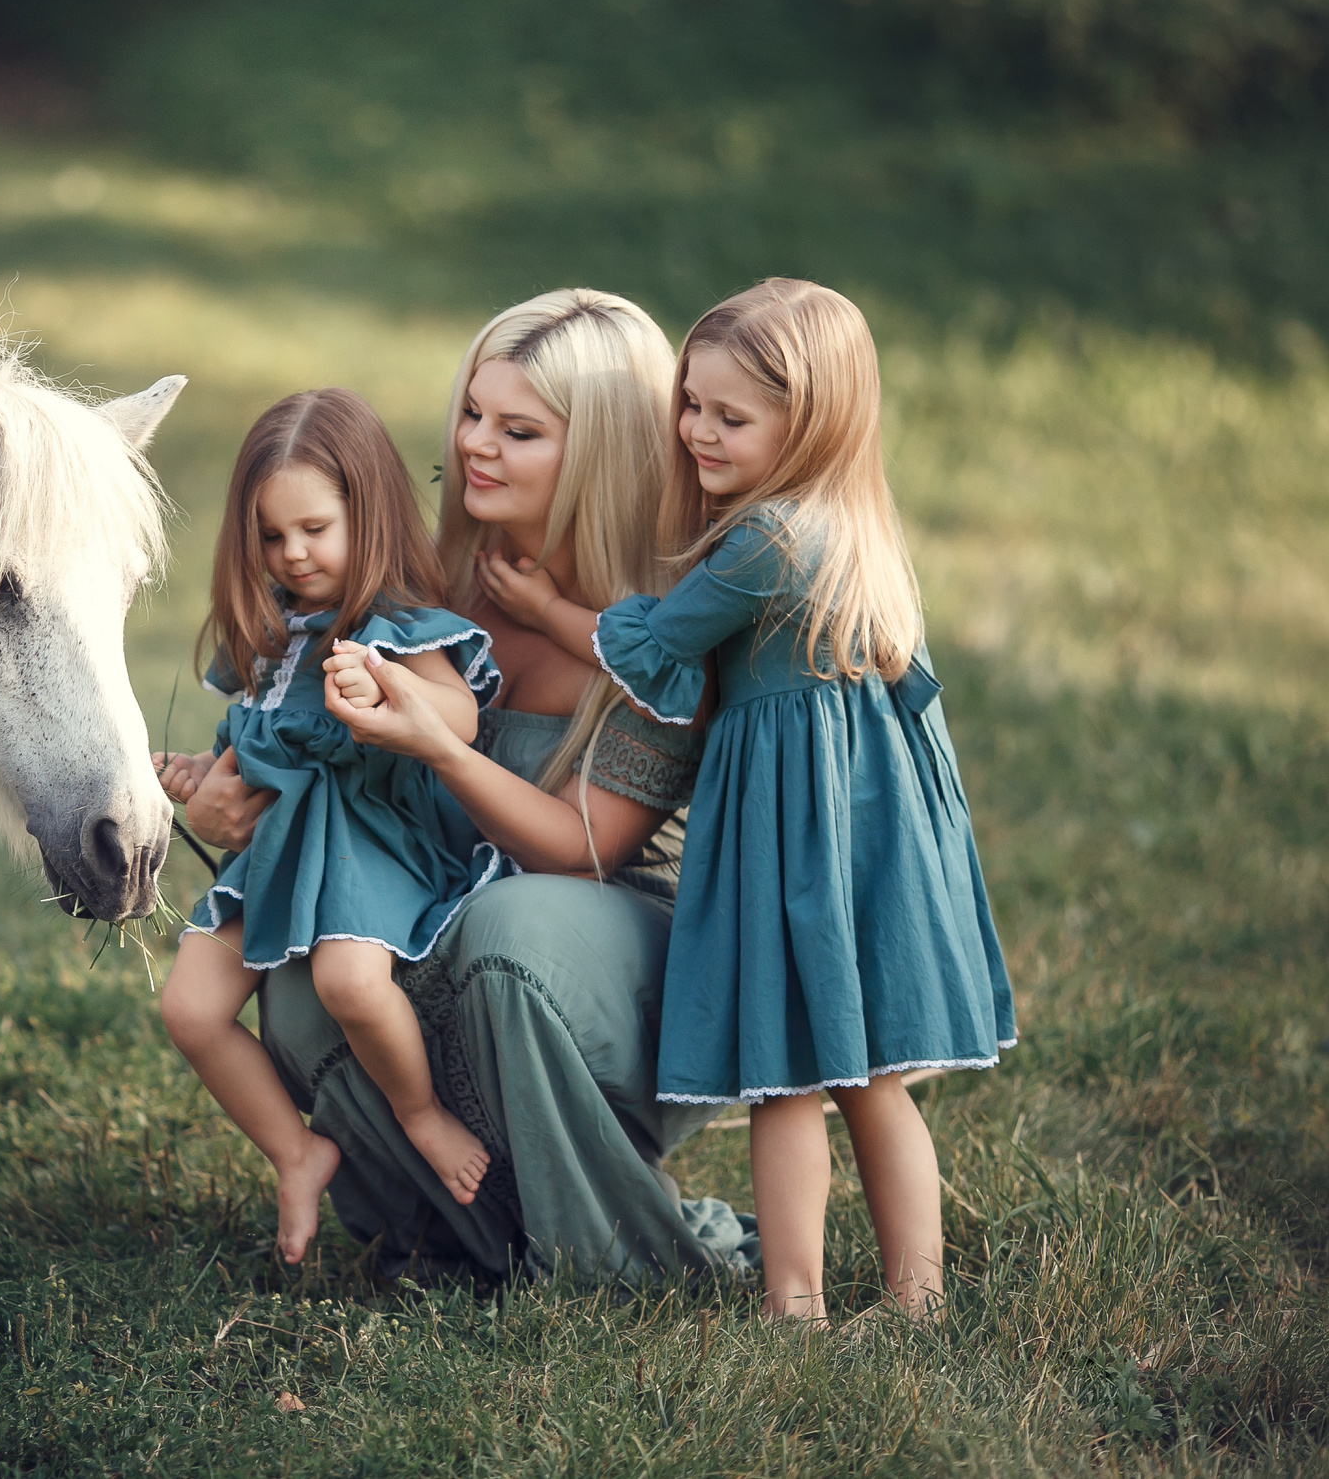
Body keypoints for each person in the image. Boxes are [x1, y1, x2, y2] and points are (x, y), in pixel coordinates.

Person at [181, 290, 758, 1287]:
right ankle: (459, 1230)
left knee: (509, 933)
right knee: (309, 980)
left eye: (520, 429)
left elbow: (579, 852)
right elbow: (304, 767)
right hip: (442, 899)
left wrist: (444, 749)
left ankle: (618, 1257)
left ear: (600, 452)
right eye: (472, 415)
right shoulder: (424, 589)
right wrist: (207, 808)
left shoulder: (661, 628)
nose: (476, 446)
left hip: (616, 954)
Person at [510, 278, 1015, 1322]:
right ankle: (912, 1299)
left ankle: (798, 1304)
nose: (694, 430)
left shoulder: (765, 541)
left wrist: (545, 607)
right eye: (688, 403)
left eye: (727, 416)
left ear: (811, 421)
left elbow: (654, 649)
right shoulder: (849, 523)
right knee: (867, 1074)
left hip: (794, 829)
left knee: (788, 1074)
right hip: (865, 829)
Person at [154, 389, 504, 1265]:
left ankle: (421, 1115)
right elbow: (253, 744)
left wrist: (392, 691)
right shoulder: (271, 632)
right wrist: (199, 774)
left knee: (352, 983)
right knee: (189, 1008)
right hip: (278, 852)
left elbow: (457, 715)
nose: (293, 553)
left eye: (314, 528)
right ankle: (297, 1151)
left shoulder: (393, 625)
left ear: (369, 510)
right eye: (272, 536)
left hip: (365, 847)